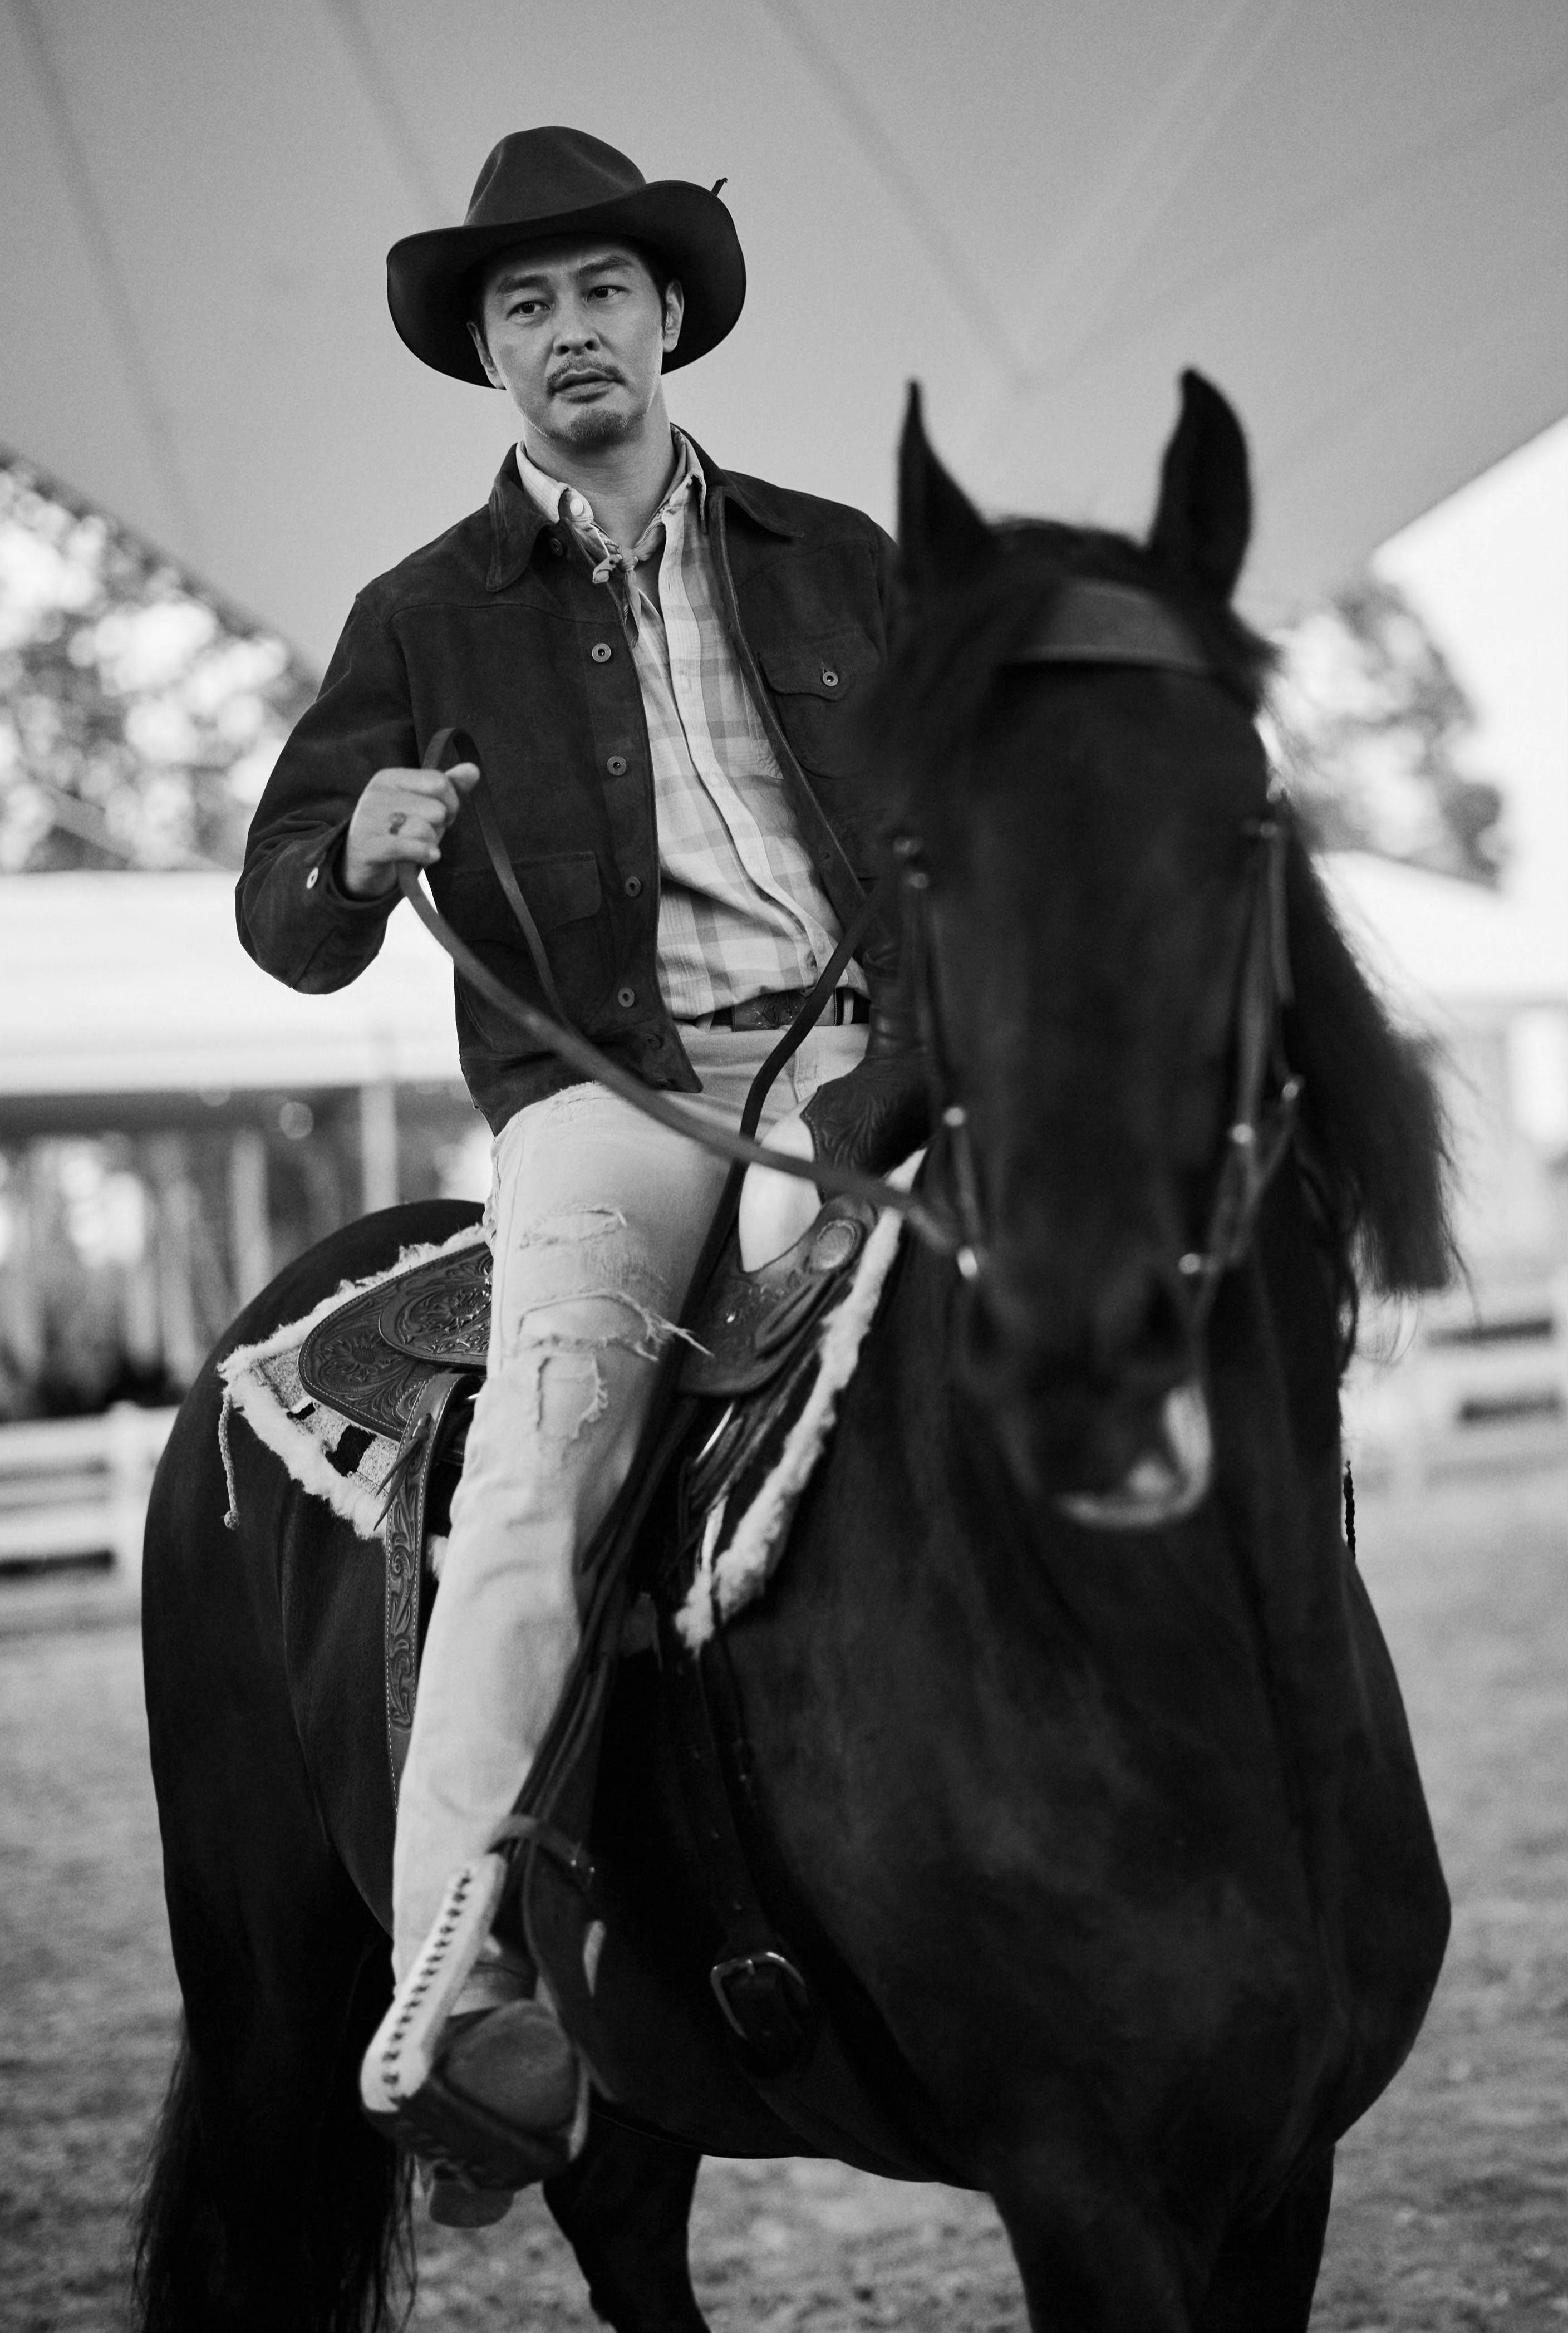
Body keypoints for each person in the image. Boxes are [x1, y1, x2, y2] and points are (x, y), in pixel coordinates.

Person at [237, 124, 922, 2205]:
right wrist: (348, 853)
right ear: (490, 358)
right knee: (541, 1461)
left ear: (667, 312)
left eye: (599, 290)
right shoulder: (419, 616)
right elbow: (285, 916)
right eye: (522, 307)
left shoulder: (838, 559)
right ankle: (460, 1995)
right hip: (607, 1094)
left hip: (867, 1062)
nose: (568, 331)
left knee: (1071, 1316)